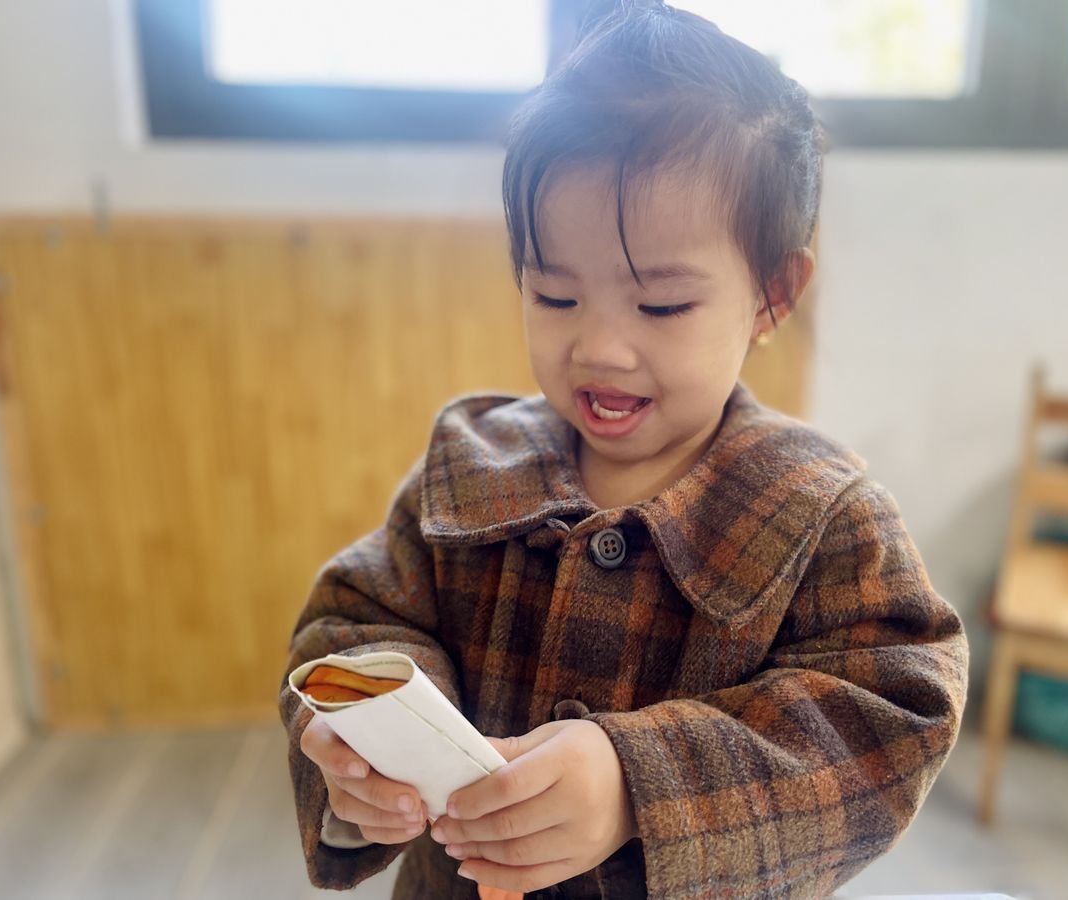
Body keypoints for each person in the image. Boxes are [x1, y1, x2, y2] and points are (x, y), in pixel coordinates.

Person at [280, 2, 969, 897]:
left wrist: (640, 786)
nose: (600, 348)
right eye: (555, 296)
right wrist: (364, 746)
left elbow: (891, 716)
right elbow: (353, 618)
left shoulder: (821, 511)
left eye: (661, 306)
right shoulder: (467, 467)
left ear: (773, 295)